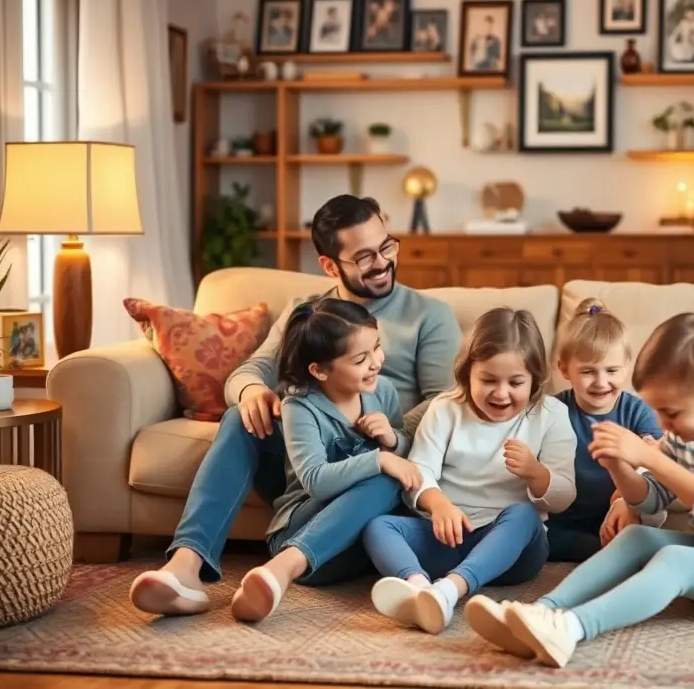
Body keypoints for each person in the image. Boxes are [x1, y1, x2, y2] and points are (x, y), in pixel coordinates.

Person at [129, 195, 461, 616]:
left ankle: (285, 565)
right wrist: (253, 393)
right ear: (330, 265)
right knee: (239, 417)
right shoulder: (305, 314)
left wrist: (386, 433)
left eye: (386, 247)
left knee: (386, 472)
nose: (382, 263)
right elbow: (249, 373)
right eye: (363, 257)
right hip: (308, 460)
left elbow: (443, 404)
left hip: (377, 455)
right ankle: (185, 569)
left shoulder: (428, 315)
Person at [468, 312, 694, 668]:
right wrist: (619, 464)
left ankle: (569, 628)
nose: (664, 425)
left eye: (671, 413)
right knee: (635, 537)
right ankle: (540, 614)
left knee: (675, 561)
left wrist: (652, 457)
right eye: (659, 413)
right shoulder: (687, 430)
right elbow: (648, 498)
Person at [362, 307, 577, 635]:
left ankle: (450, 590)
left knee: (524, 515)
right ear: (467, 374)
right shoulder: (446, 408)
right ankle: (420, 591)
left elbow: (563, 497)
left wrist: (537, 473)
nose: (501, 392)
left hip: (511, 553)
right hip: (447, 536)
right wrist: (439, 505)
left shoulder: (551, 414)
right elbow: (419, 471)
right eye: (488, 380)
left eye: (515, 382)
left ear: (535, 380)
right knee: (378, 526)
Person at [230, 297, 424, 623]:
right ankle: (281, 569)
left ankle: (416, 584)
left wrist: (393, 439)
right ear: (318, 370)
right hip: (301, 531)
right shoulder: (300, 406)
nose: (376, 361)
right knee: (384, 474)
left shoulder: (383, 391)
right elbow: (315, 480)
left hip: (353, 548)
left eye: (377, 347)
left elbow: (404, 458)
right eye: (361, 358)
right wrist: (380, 459)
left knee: (390, 482)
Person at [544, 298, 664, 563]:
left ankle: (614, 550)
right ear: (564, 369)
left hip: (621, 514)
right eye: (588, 371)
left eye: (612, 370)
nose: (601, 382)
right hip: (561, 523)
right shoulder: (552, 410)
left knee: (644, 518)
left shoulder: (637, 410)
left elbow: (657, 462)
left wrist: (625, 501)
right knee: (533, 535)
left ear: (627, 365)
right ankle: (602, 552)